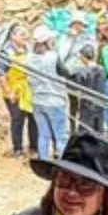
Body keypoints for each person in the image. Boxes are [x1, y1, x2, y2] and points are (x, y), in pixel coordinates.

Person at [24, 27, 69, 161]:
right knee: (60, 136)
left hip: (37, 100)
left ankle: (43, 159)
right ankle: (62, 161)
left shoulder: (29, 58)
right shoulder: (53, 57)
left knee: (43, 134)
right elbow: (66, 73)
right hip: (55, 100)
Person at [0, 24, 38, 158]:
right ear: (13, 36)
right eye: (22, 34)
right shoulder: (6, 52)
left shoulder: (29, 50)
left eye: (26, 34)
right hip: (14, 90)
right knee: (17, 119)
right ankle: (18, 149)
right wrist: (9, 92)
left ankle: (34, 147)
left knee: (33, 118)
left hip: (29, 89)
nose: (25, 37)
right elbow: (1, 75)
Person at [65, 43, 108, 140]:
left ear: (83, 57)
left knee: (85, 134)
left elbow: (76, 87)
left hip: (87, 107)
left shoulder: (83, 72)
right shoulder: (102, 70)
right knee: (99, 133)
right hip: (99, 106)